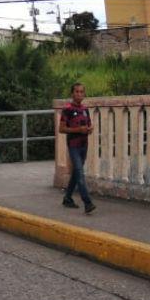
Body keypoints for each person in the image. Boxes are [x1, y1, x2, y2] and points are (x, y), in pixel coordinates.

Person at [59, 82, 96, 214]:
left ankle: (68, 198)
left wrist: (89, 129)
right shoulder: (67, 109)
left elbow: (89, 125)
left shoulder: (85, 110)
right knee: (80, 173)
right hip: (73, 145)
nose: (79, 94)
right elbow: (61, 129)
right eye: (76, 92)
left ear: (84, 94)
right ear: (72, 93)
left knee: (76, 173)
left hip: (84, 145)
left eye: (81, 92)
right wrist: (77, 130)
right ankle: (87, 203)